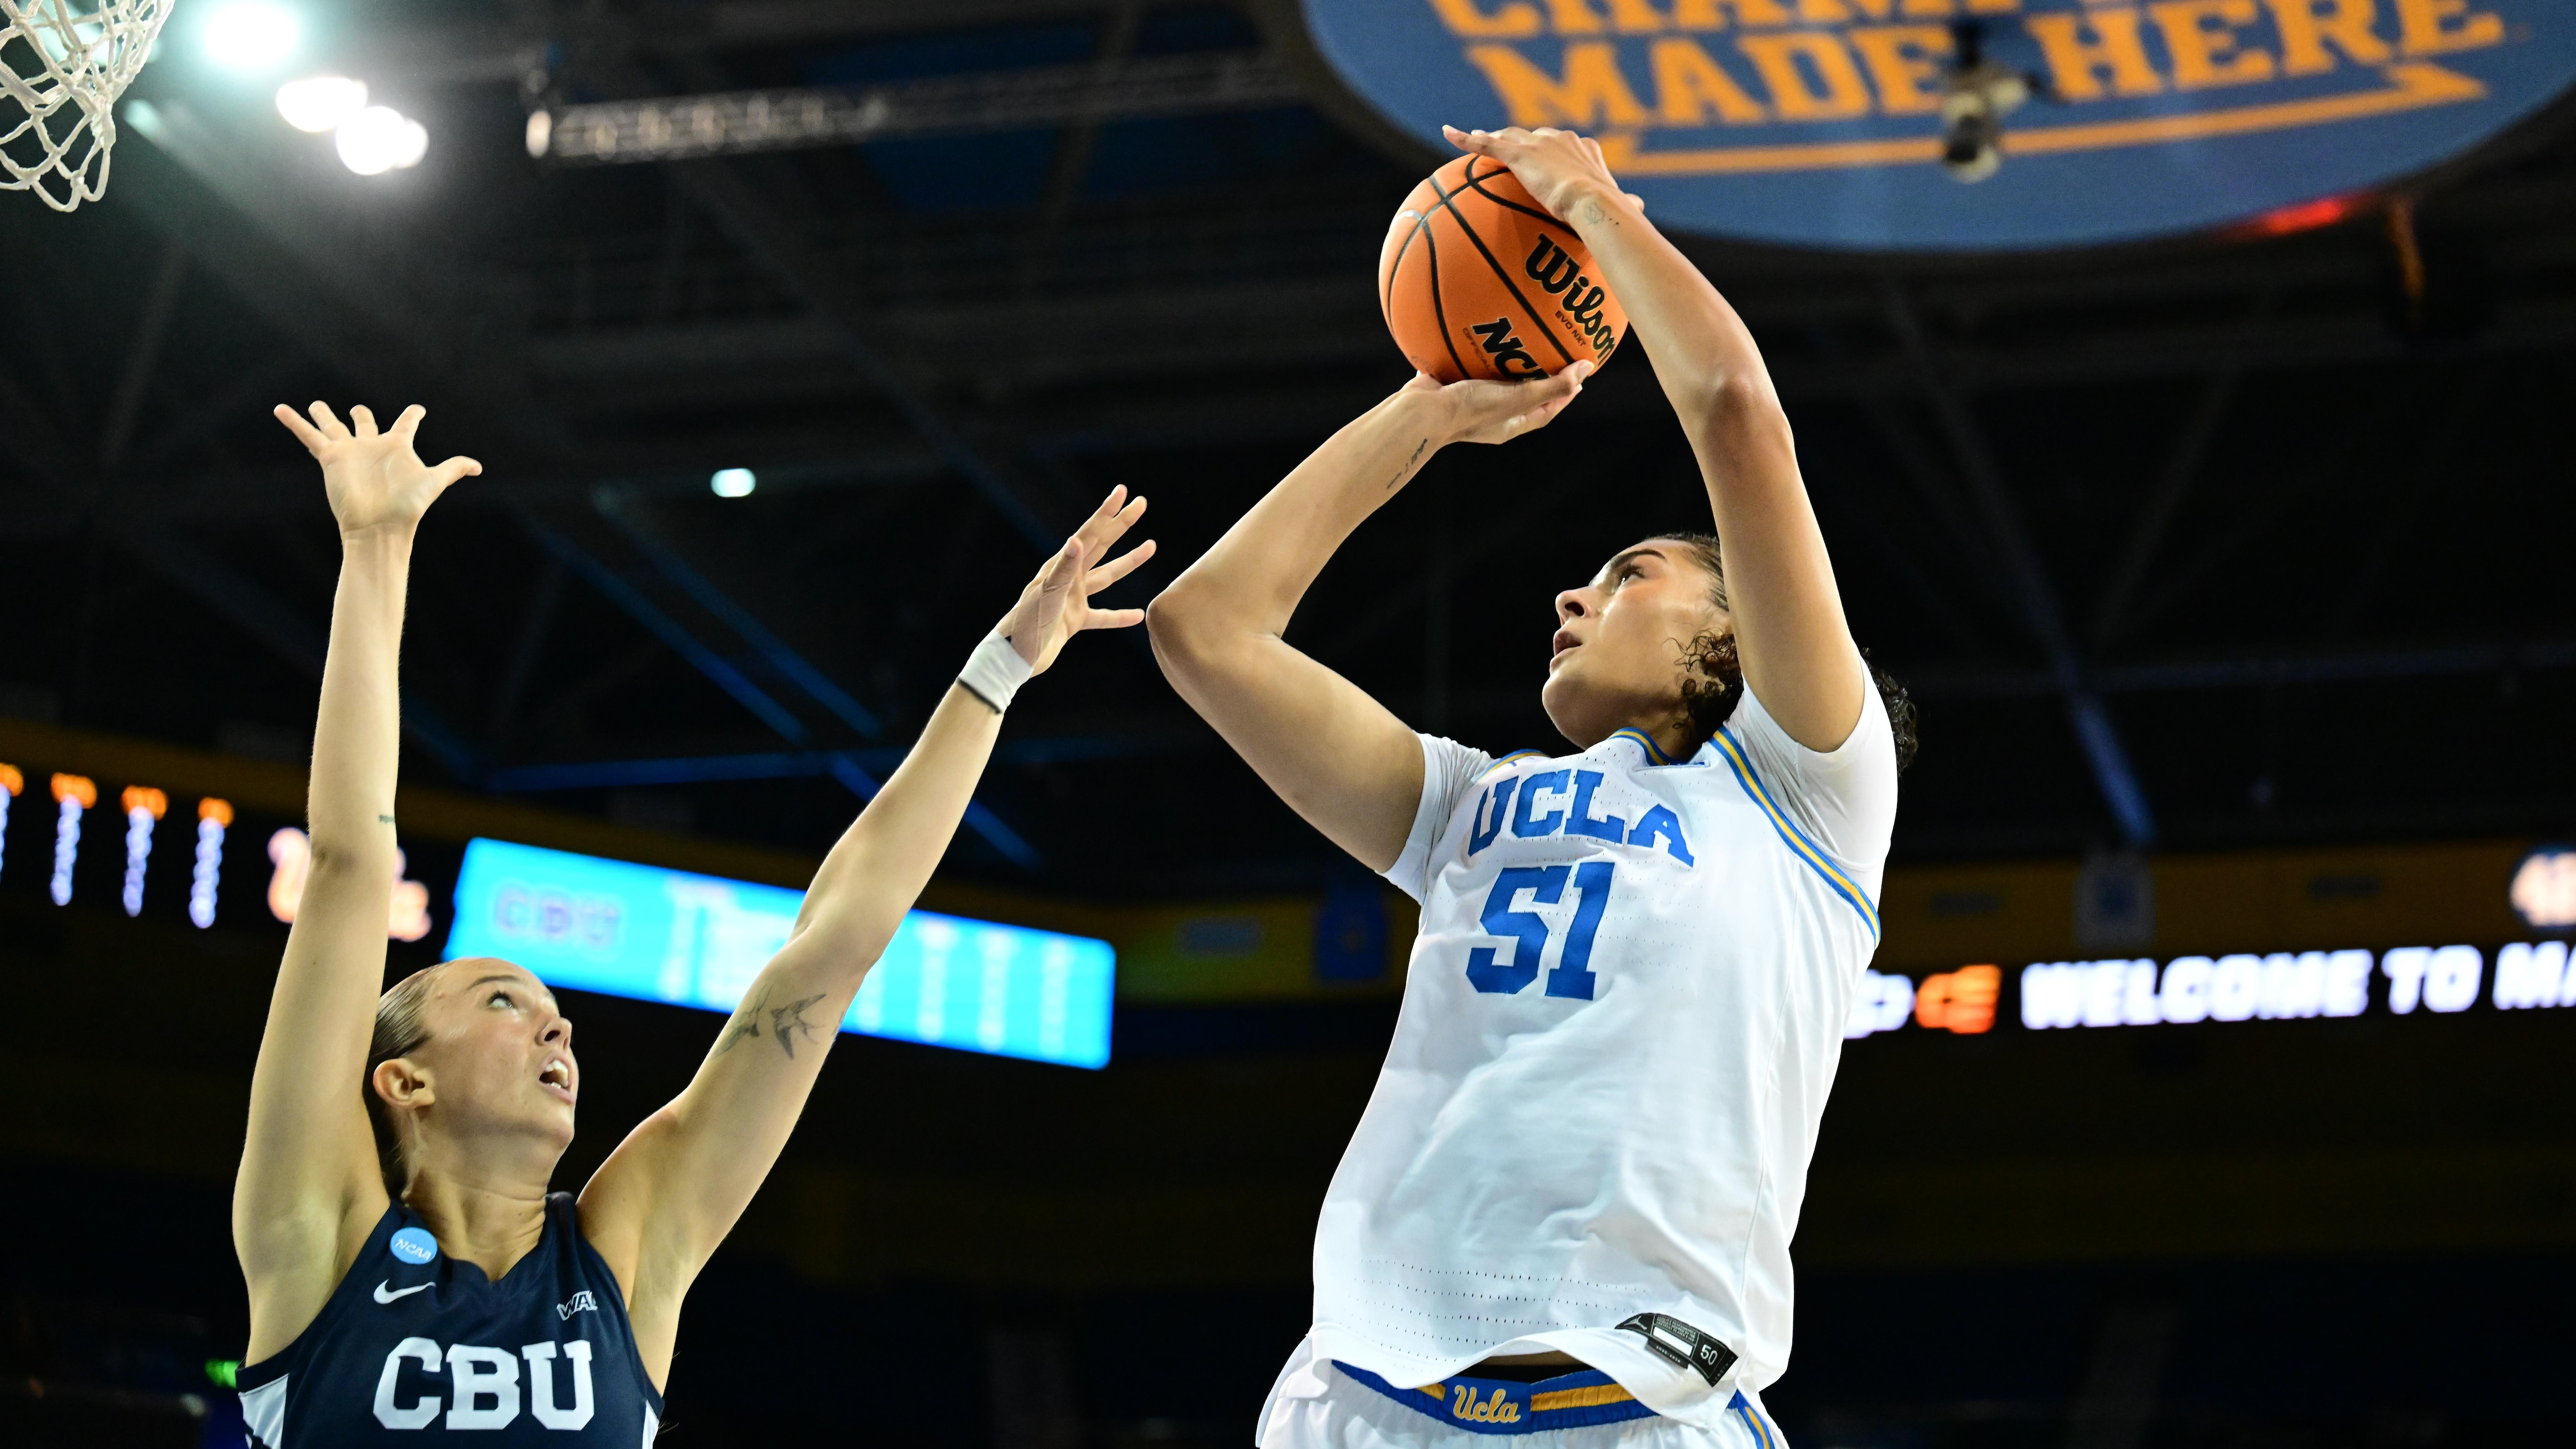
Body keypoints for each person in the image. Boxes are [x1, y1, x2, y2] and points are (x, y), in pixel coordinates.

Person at [1147, 125, 1917, 1449]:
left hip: (1631, 1408)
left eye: (1632, 573)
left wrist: (1585, 202)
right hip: (1361, 1404)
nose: (1574, 592)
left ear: (1737, 633)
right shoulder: (1465, 808)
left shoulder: (1808, 800)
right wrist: (1424, 415)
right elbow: (1202, 629)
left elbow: (1735, 411)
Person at [231, 400, 1153, 1443]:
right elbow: (351, 867)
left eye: (550, 1011)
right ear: (404, 1081)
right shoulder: (321, 1230)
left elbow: (830, 950)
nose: (558, 1029)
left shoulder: (629, 1243)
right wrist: (377, 546)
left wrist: (999, 670)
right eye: (502, 1000)